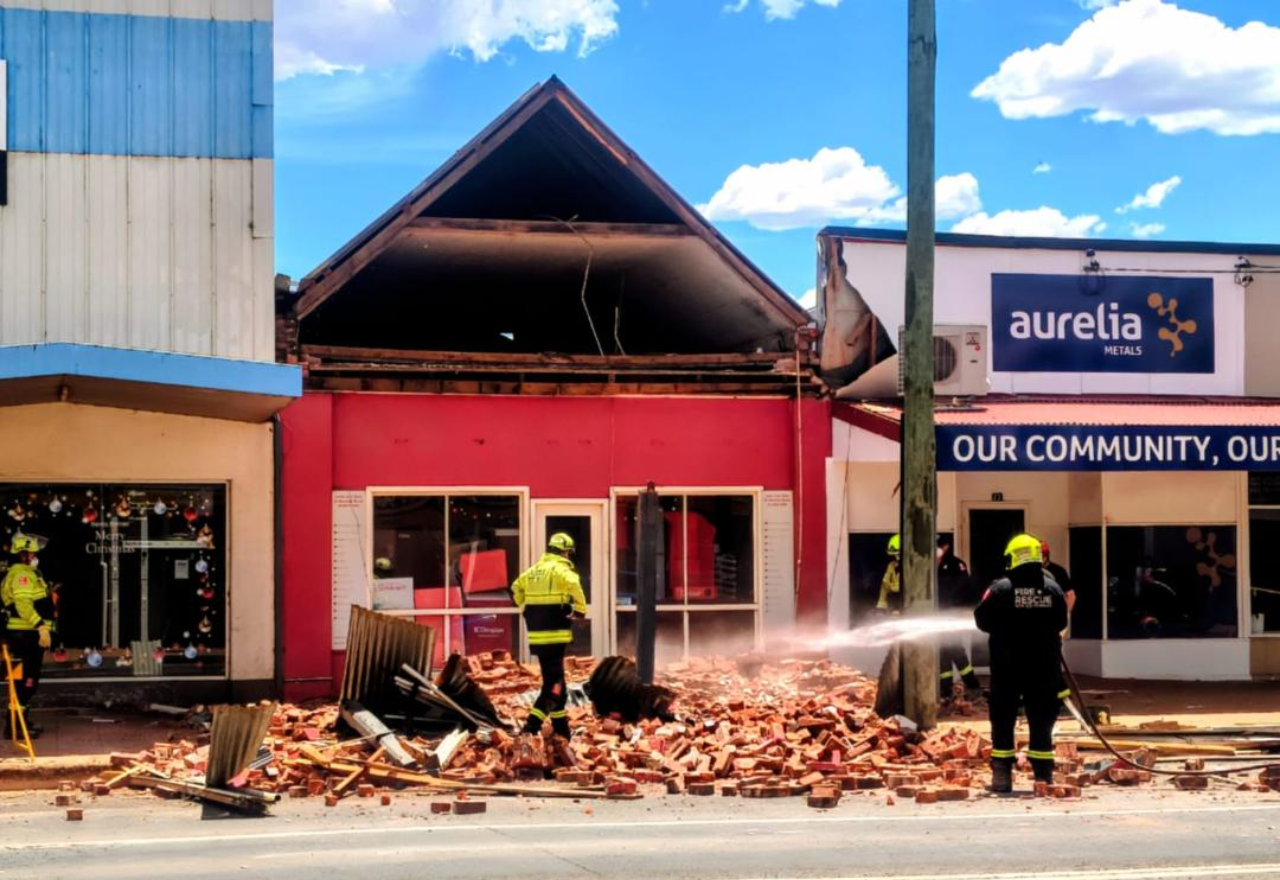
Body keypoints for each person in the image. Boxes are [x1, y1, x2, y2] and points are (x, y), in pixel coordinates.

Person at [974, 533, 1068, 794]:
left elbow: (981, 620)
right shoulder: (1053, 588)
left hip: (1007, 668)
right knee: (1042, 717)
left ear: (1014, 556)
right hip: (1044, 667)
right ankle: (1043, 776)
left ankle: (1002, 776)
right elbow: (1061, 622)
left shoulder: (1000, 588)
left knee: (1003, 717)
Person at [511, 532, 587, 739]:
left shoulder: (533, 571)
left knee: (556, 680)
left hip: (537, 637)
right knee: (553, 686)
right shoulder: (563, 570)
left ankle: (561, 730)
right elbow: (575, 586)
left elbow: (515, 587)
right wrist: (580, 610)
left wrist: (524, 605)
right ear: (565, 551)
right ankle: (531, 727)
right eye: (569, 553)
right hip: (556, 635)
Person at [2, 533, 54, 739]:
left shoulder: (24, 573)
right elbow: (23, 604)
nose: (34, 556)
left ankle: (19, 723)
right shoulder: (23, 575)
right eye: (32, 553)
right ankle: (15, 728)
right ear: (23, 555)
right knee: (26, 682)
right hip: (26, 637)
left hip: (24, 636)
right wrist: (40, 625)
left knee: (21, 682)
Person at [937, 536, 982, 698]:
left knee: (955, 649)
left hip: (953, 614)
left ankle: (972, 685)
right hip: (937, 615)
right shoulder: (932, 565)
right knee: (943, 651)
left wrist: (964, 609)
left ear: (946, 547)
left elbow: (965, 588)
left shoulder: (957, 565)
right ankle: (946, 689)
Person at [1041, 540, 1076, 706]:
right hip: (1037, 623)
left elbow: (1071, 596)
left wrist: (1063, 617)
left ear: (1046, 555)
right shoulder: (1028, 571)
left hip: (1054, 623)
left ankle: (1061, 698)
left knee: (1051, 658)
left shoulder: (1057, 571)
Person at [876, 533, 902, 614]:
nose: (897, 558)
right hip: (894, 603)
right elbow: (885, 586)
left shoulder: (916, 567)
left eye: (898, 555)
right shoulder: (891, 566)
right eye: (894, 555)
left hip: (910, 604)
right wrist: (881, 607)